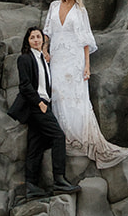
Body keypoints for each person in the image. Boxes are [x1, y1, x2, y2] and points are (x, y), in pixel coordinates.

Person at [42, 0, 128, 168]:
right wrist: (44, 50)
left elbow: (85, 41)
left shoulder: (80, 11)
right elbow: (47, 32)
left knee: (76, 97)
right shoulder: (54, 6)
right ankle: (64, 137)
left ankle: (80, 138)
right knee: (57, 93)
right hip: (57, 57)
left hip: (75, 58)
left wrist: (87, 66)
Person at [7, 26, 77, 197]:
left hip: (43, 104)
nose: (36, 40)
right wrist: (39, 103)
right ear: (28, 41)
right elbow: (25, 85)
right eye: (32, 38)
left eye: (38, 37)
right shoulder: (25, 58)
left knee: (35, 145)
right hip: (36, 105)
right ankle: (59, 180)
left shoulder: (42, 58)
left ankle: (31, 185)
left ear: (43, 40)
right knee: (58, 136)